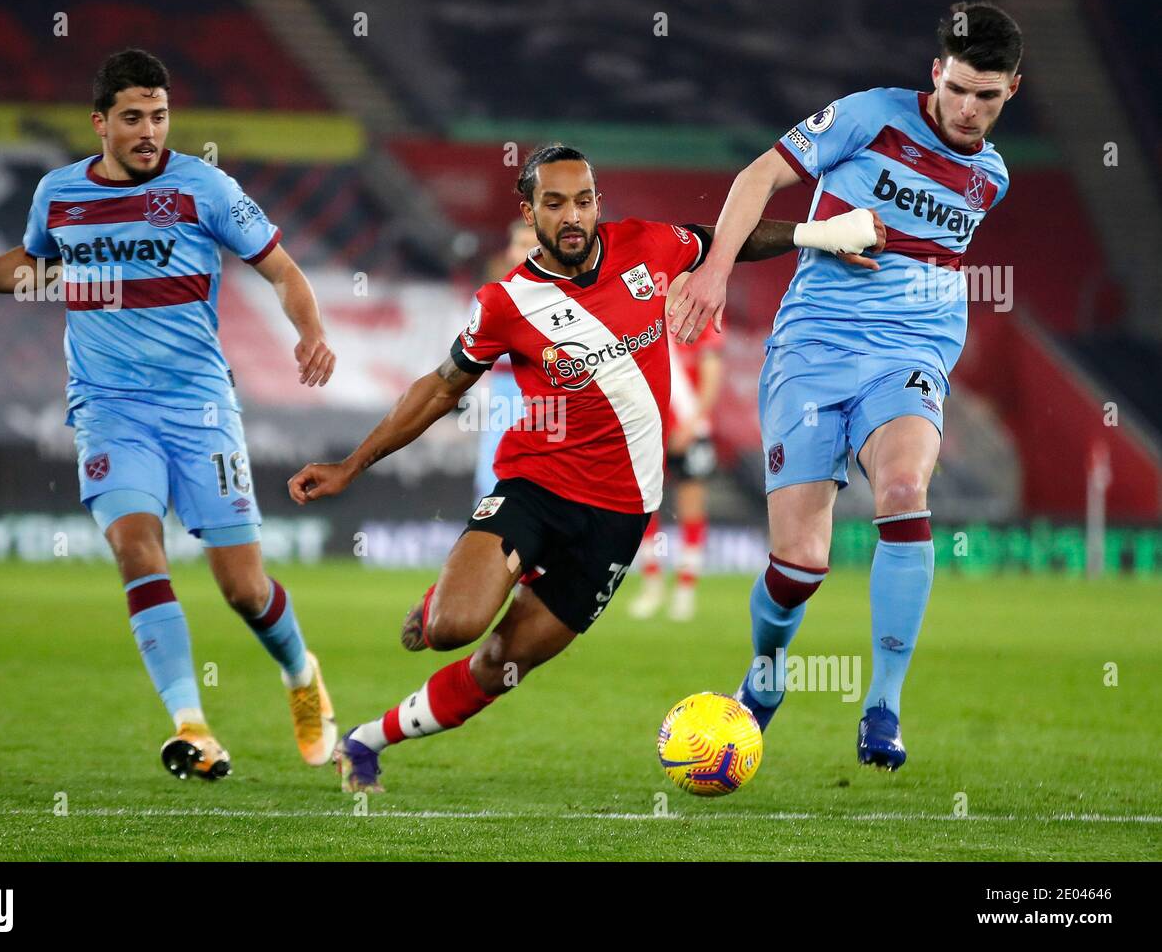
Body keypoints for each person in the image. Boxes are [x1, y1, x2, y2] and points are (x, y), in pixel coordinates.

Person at [288, 144, 882, 792]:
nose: (572, 216)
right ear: (529, 211)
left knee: (499, 667)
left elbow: (728, 238)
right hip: (534, 489)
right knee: (453, 628)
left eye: (583, 200)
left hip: (620, 519)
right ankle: (445, 600)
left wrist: (819, 235)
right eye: (554, 203)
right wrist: (352, 466)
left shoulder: (650, 246)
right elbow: (438, 389)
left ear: (596, 201)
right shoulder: (506, 303)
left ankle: (367, 741)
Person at [0, 49, 339, 780]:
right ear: (100, 123)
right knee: (138, 549)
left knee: (243, 589)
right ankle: (192, 727)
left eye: (159, 117)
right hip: (108, 409)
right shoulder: (59, 194)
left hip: (200, 408)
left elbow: (281, 270)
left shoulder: (205, 188)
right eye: (132, 118)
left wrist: (311, 330)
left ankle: (299, 671)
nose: (148, 132)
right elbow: (34, 269)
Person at [671, 2, 1021, 769]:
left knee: (902, 492)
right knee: (799, 563)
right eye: (958, 88)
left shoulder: (989, 178)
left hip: (910, 352)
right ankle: (765, 677)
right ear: (936, 72)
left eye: (987, 97)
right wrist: (716, 270)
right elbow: (760, 174)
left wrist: (897, 264)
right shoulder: (870, 116)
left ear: (1011, 92)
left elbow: (931, 260)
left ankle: (884, 704)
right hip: (813, 348)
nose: (968, 109)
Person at [629, 318, 724, 621]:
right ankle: (652, 584)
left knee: (691, 506)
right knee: (645, 506)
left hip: (690, 429)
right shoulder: (645, 314)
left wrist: (693, 422)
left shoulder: (700, 319)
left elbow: (712, 376)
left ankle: (685, 590)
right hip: (651, 428)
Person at [472, 219, 540, 503]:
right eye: (521, 245)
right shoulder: (490, 299)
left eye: (534, 246)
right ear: (510, 251)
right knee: (493, 483)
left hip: (552, 405)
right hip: (505, 399)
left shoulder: (570, 299)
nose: (526, 253)